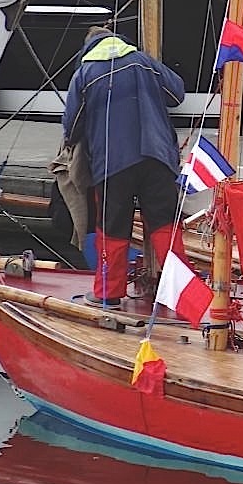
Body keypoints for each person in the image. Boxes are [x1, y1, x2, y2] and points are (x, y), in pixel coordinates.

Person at [62, 26, 190, 308]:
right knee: (166, 226)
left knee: (113, 229)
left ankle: (109, 293)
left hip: (113, 163)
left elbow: (71, 127)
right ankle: (182, 297)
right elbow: (177, 94)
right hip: (157, 156)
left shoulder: (84, 74)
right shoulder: (144, 62)